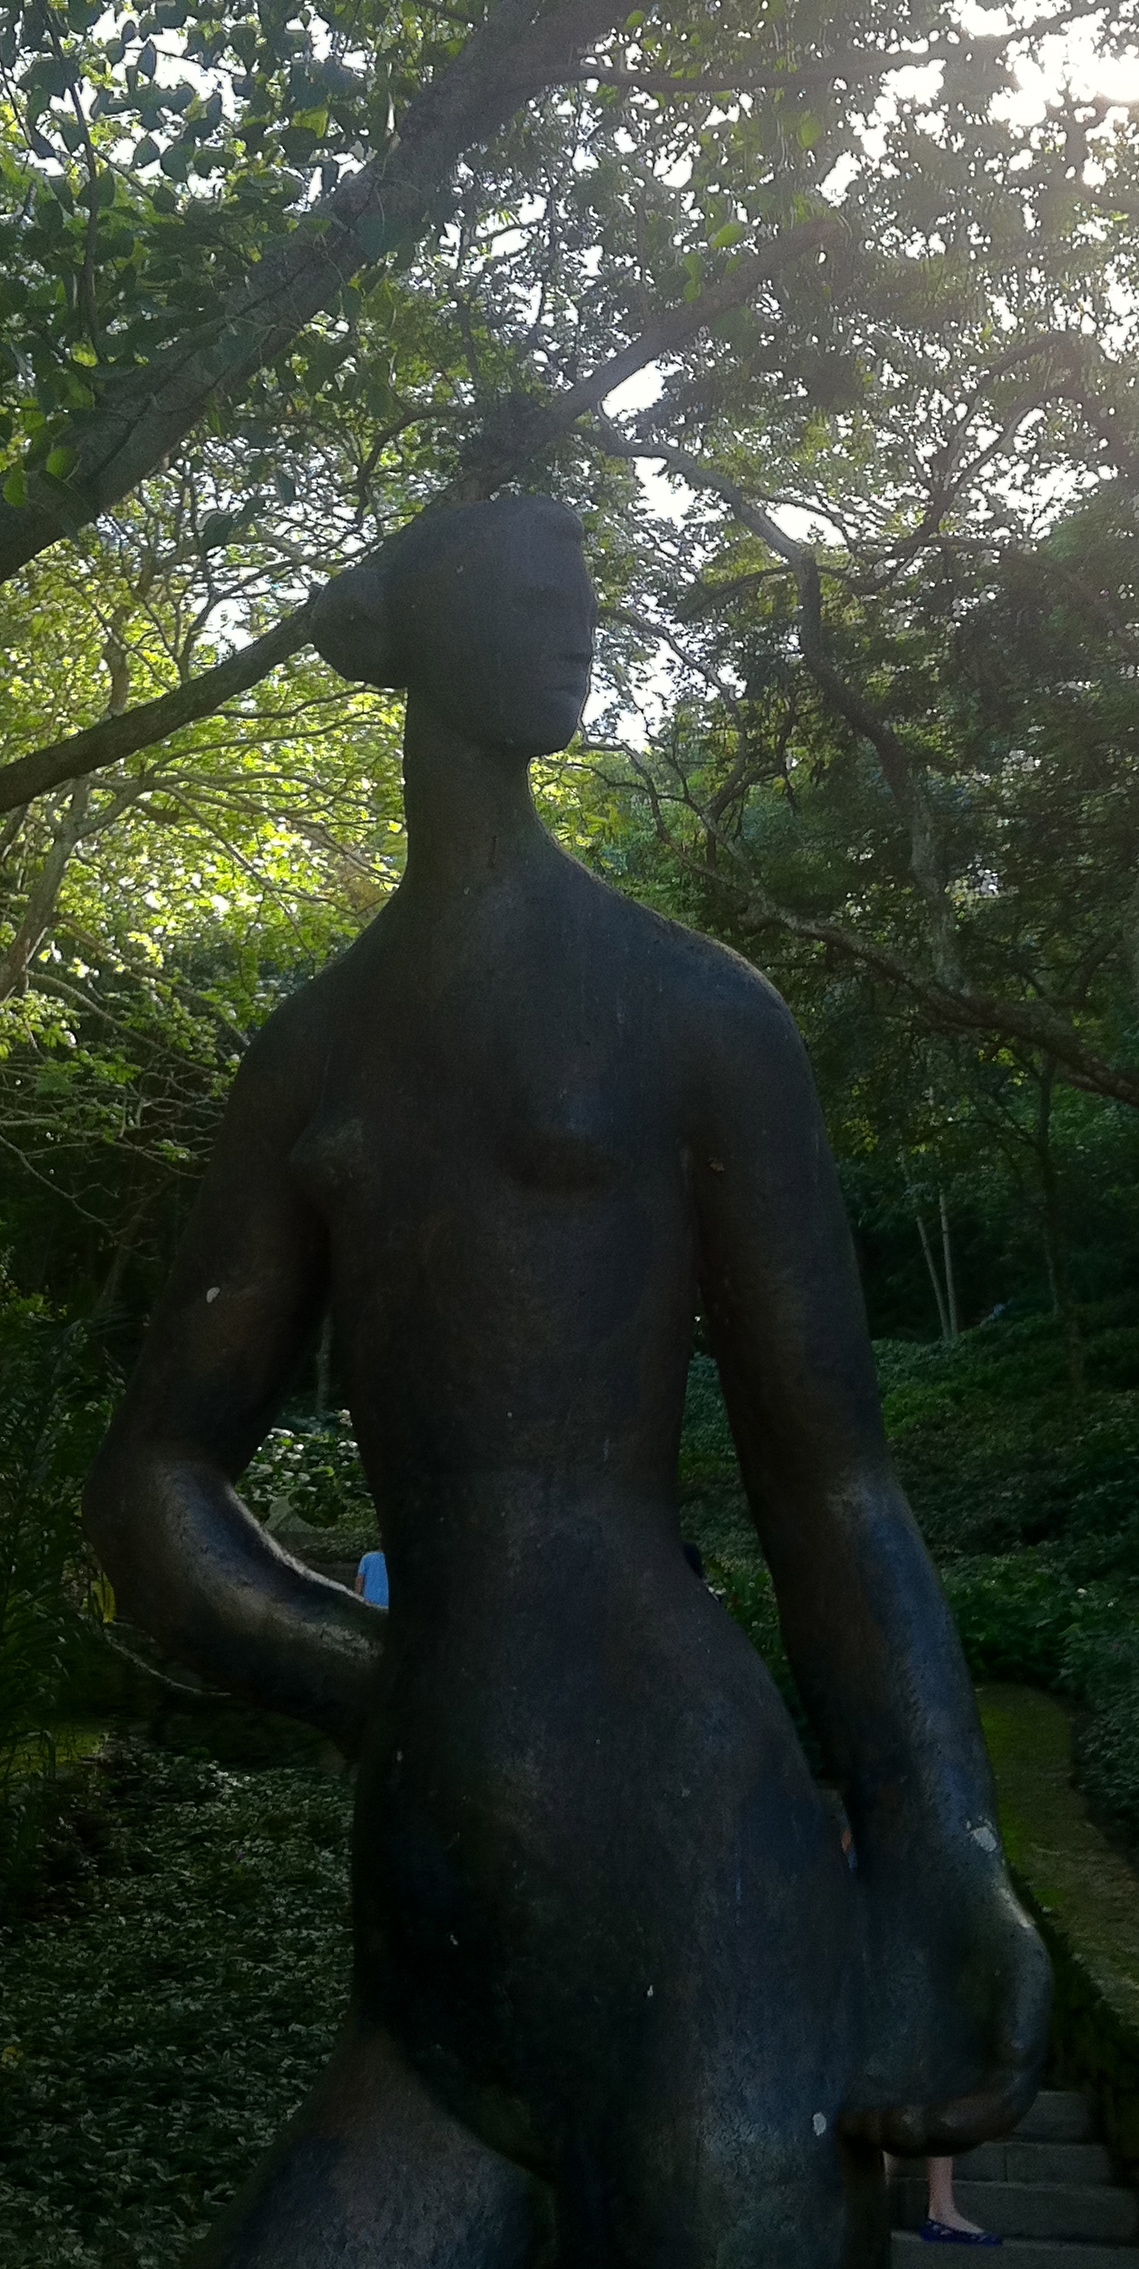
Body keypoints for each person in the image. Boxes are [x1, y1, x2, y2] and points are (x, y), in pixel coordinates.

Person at [83, 494, 1049, 2269]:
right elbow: (157, 1474)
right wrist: (365, 1672)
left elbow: (832, 1476)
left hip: (691, 1874)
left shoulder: (693, 1012)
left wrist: (941, 1846)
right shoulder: (313, 1056)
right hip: (439, 1920)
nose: (573, 618)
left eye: (582, 591)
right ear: (417, 626)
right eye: (527, 589)